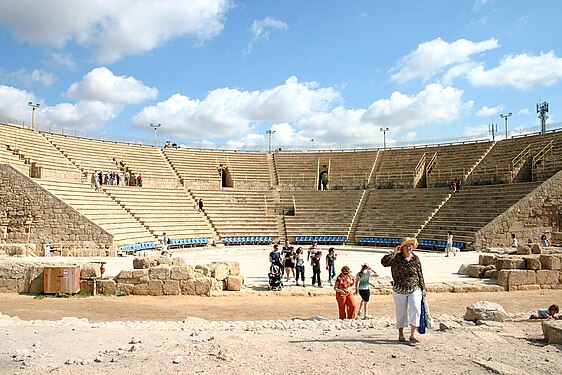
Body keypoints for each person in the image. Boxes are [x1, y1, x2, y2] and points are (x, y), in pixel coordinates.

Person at [381, 237, 426, 343]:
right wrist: (394, 253)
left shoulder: (416, 259)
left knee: (415, 308)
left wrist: (423, 288)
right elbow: (384, 262)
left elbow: (420, 273)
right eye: (406, 246)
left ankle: (412, 334)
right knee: (401, 312)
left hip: (414, 287)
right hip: (399, 288)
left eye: (410, 246)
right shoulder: (396, 258)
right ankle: (401, 334)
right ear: (402, 248)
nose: (409, 248)